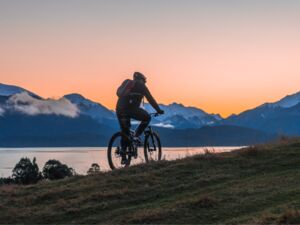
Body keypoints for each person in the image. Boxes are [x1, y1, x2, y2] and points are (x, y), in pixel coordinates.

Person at [116, 72, 164, 163]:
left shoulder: (126, 82)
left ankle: (124, 156)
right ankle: (136, 136)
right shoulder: (142, 86)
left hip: (120, 110)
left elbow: (118, 93)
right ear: (141, 80)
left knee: (125, 132)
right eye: (144, 81)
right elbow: (150, 99)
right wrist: (158, 110)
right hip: (132, 110)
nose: (145, 83)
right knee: (147, 118)